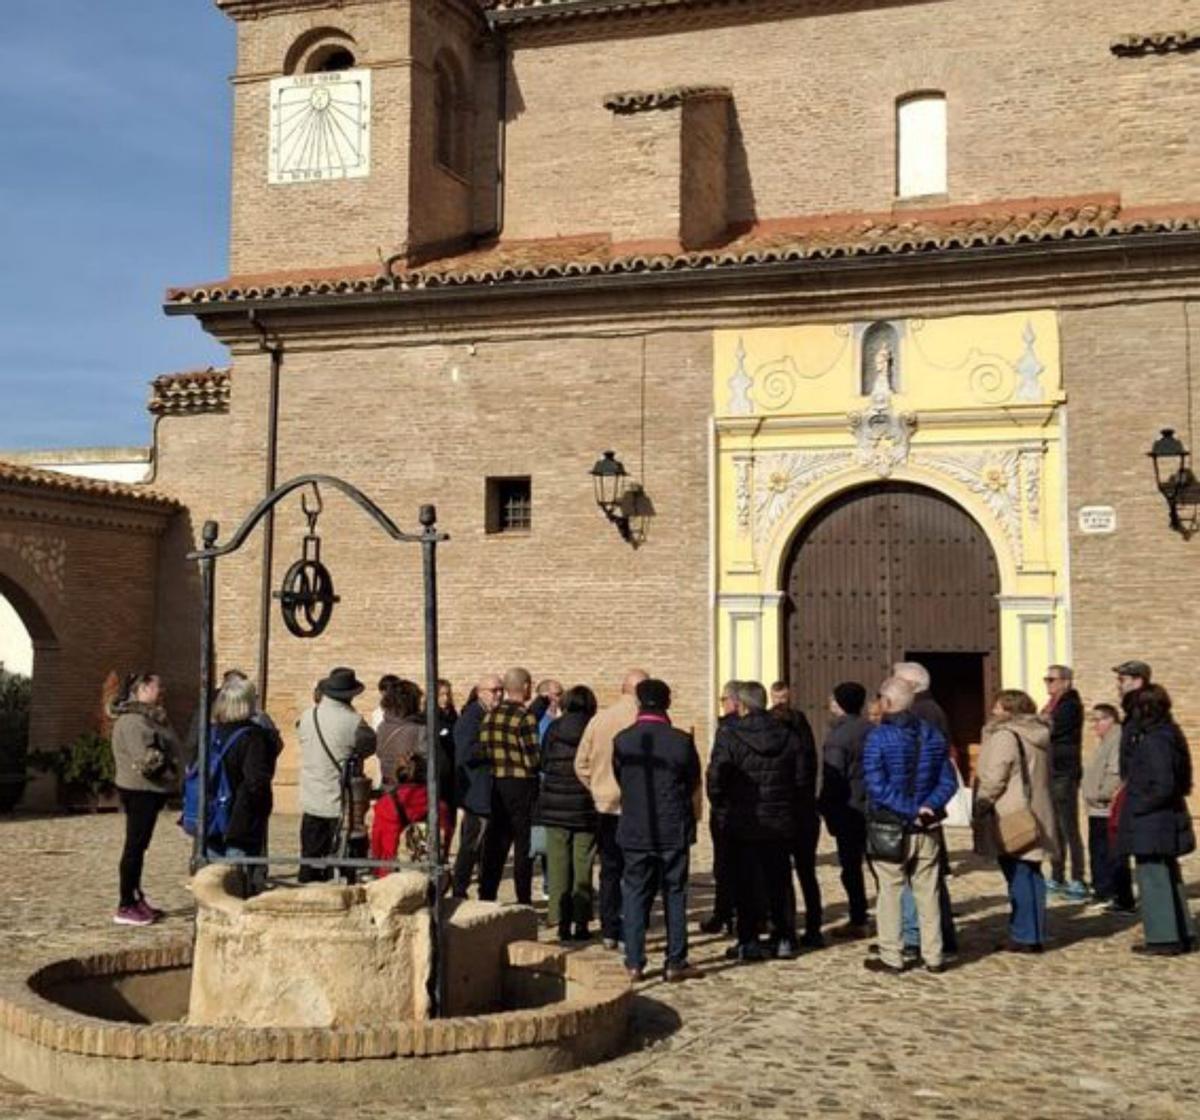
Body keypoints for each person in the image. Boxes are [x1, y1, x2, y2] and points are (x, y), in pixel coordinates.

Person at [862, 677, 956, 975]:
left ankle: (892, 954)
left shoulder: (878, 738)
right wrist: (927, 808)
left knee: (890, 891)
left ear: (887, 703)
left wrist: (912, 810)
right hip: (926, 827)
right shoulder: (932, 735)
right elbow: (948, 781)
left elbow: (877, 786)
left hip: (892, 825)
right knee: (927, 891)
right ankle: (934, 954)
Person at [708, 680, 807, 961]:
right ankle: (784, 937)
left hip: (744, 819)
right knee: (779, 880)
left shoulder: (730, 735)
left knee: (745, 882)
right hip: (779, 819)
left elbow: (716, 778)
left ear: (740, 704)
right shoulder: (787, 734)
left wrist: (722, 805)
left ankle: (748, 940)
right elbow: (801, 778)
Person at [613, 679, 702, 982]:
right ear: (668, 702)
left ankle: (634, 962)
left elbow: (619, 776)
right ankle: (675, 961)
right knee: (674, 893)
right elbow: (692, 781)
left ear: (638, 703)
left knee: (635, 893)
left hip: (635, 826)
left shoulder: (623, 740)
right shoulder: (680, 741)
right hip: (672, 826)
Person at [973, 690, 1058, 952]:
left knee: (1018, 872)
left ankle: (1024, 934)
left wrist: (981, 802)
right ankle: (1034, 930)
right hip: (1035, 810)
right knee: (1031, 873)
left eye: (998, 707)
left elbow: (995, 777)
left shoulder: (1006, 736)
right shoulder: (1038, 735)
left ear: (1009, 710)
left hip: (1011, 812)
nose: (993, 711)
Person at [1116, 684, 1196, 956]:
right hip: (1160, 816)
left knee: (1153, 878)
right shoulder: (1167, 733)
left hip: (1153, 818)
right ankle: (1180, 931)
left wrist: (1138, 805)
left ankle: (1163, 937)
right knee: (1167, 875)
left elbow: (1163, 784)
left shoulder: (1155, 740)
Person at [576, 668, 647, 949]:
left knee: (609, 869)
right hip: (637, 807)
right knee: (636, 870)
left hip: (605, 804)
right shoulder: (646, 721)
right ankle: (632, 925)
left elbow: (580, 764)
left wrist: (595, 786)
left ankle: (608, 928)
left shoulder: (600, 720)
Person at [893, 660, 958, 959]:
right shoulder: (932, 709)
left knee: (918, 876)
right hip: (927, 805)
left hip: (918, 807)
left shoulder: (920, 714)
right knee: (929, 877)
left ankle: (918, 940)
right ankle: (939, 938)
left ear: (911, 685)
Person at [109, 672, 181, 926]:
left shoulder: (149, 718)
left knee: (139, 847)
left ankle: (136, 896)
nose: (161, 690)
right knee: (134, 847)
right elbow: (147, 759)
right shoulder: (133, 722)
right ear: (142, 689)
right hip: (139, 790)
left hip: (149, 791)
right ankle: (126, 903)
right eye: (157, 686)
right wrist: (172, 772)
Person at [296, 667, 376, 882]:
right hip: (341, 803)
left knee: (310, 858)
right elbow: (369, 746)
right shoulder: (354, 722)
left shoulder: (306, 716)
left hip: (311, 799)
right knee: (345, 862)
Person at [536, 685, 599, 942]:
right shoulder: (593, 728)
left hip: (554, 805)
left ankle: (560, 921)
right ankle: (582, 922)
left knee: (558, 863)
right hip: (585, 804)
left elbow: (543, 761)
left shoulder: (554, 728)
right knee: (583, 863)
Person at [208, 675, 280, 897]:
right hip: (239, 818)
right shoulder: (252, 737)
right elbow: (256, 781)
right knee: (235, 884)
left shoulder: (212, 732)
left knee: (215, 881)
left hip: (210, 814)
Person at [477, 667, 541, 905]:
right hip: (522, 784)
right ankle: (523, 898)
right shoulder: (525, 717)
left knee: (496, 843)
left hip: (496, 782)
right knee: (523, 845)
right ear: (525, 687)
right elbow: (532, 757)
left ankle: (487, 894)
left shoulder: (489, 715)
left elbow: (484, 749)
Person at [818, 682, 872, 939]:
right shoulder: (872, 730)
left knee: (851, 868)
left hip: (849, 808)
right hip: (873, 806)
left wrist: (825, 808)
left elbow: (834, 779)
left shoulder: (838, 739)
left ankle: (858, 916)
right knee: (881, 866)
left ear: (839, 704)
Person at [771, 680, 823, 948]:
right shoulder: (800, 732)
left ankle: (790, 930)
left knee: (792, 874)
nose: (780, 700)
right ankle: (810, 927)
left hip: (789, 813)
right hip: (802, 811)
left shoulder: (790, 728)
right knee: (803, 872)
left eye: (783, 696)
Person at [1081, 703, 1135, 913]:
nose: (1094, 725)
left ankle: (1117, 895)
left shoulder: (1117, 739)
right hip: (1097, 807)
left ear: (1110, 720)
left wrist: (1100, 794)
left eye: (1097, 720)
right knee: (1099, 851)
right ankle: (1103, 890)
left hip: (1107, 807)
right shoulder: (1105, 741)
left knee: (1111, 853)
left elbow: (1114, 772)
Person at [451, 674, 501, 898]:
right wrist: (492, 747)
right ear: (481, 692)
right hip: (476, 793)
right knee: (471, 844)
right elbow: (464, 754)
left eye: (500, 690)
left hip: (488, 792)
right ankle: (459, 889)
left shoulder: (491, 715)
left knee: (484, 847)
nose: (498, 694)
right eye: (493, 690)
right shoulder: (471, 718)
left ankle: (483, 889)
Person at [1042, 665, 1087, 900]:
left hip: (1064, 771)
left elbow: (1049, 728)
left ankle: (1078, 877)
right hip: (1052, 770)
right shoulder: (1052, 705)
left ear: (1066, 681)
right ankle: (1057, 874)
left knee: (1068, 826)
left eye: (1052, 679)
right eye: (1046, 679)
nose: (1048, 684)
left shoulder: (1069, 706)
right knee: (1055, 827)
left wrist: (1041, 722)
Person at [699, 680, 741, 935]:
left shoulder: (727, 730)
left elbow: (717, 772)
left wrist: (716, 800)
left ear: (735, 702)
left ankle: (724, 913)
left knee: (725, 865)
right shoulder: (774, 727)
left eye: (723, 699)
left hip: (728, 809)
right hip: (756, 809)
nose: (722, 704)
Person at [370, 751, 453, 875]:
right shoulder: (438, 806)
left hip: (393, 874)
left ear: (397, 774)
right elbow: (444, 842)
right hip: (428, 875)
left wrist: (377, 871)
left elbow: (377, 844)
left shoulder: (385, 804)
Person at [374, 678, 426, 792]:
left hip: (387, 790)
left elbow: (379, 753)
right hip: (410, 793)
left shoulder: (382, 726)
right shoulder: (419, 730)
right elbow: (436, 765)